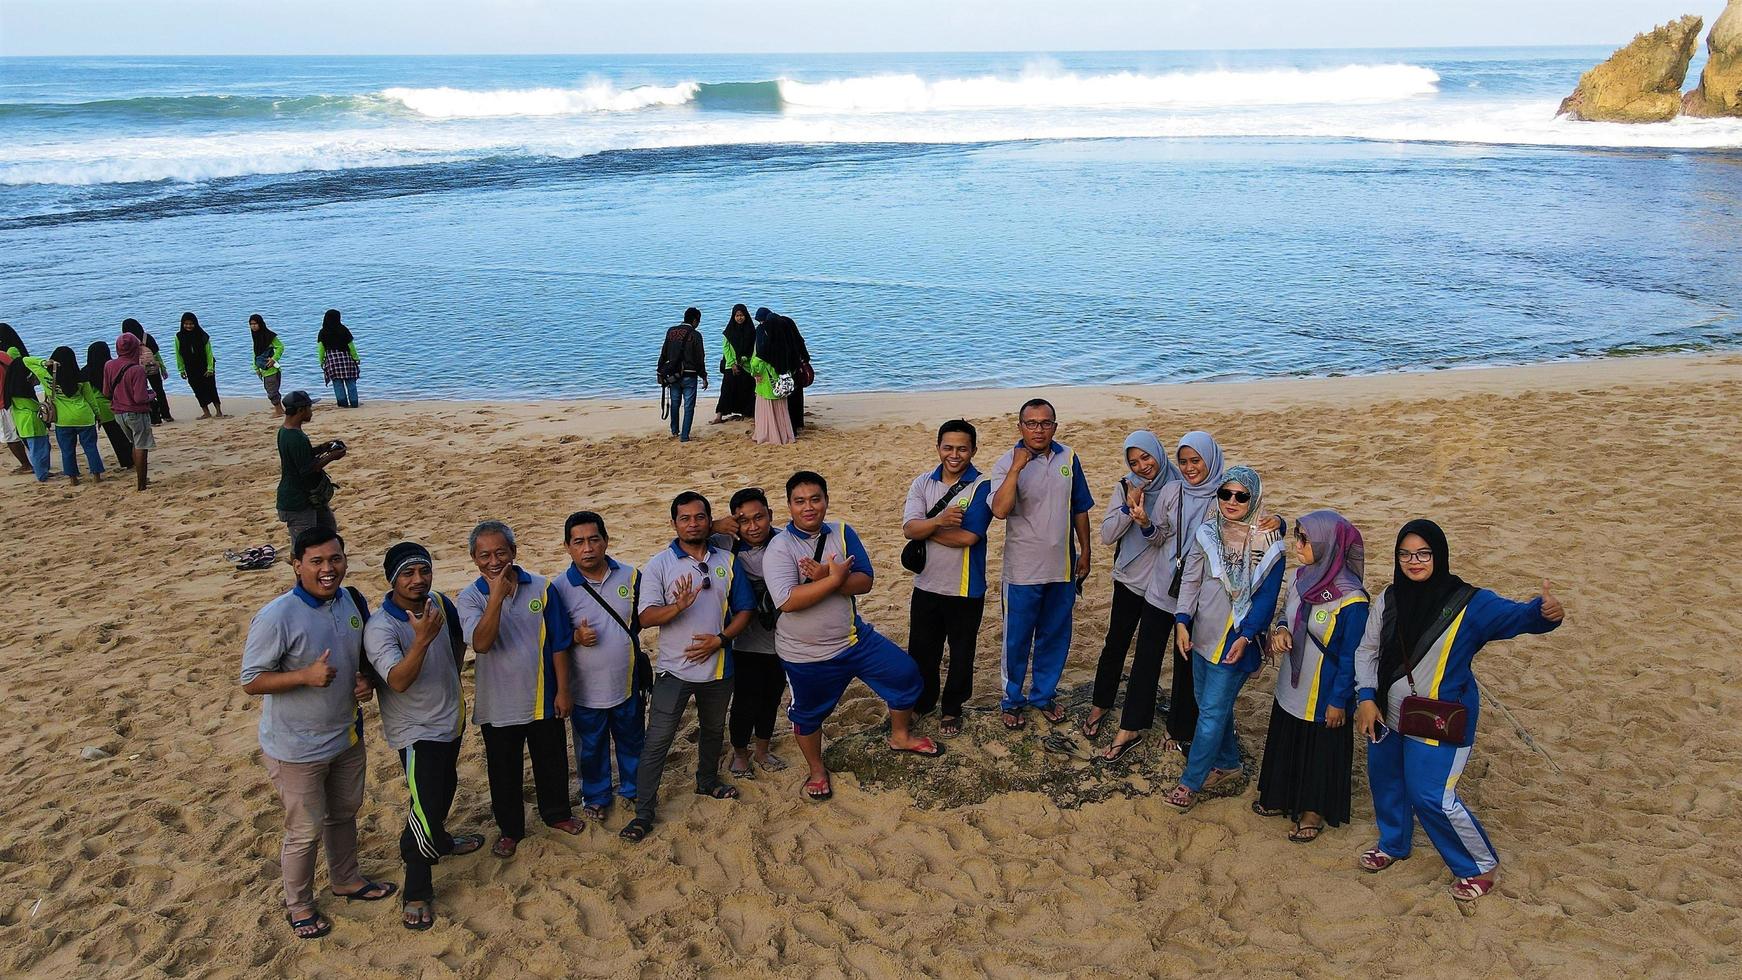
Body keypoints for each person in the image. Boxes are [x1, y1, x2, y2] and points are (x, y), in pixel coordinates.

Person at [1353, 519, 1565, 903]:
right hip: (1386, 713)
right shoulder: (1389, 598)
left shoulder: (1469, 603)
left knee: (1432, 795)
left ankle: (1479, 865)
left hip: (1439, 718)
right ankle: (1394, 842)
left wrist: (1544, 612)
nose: (1413, 562)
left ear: (1439, 555)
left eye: (1423, 554)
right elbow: (1368, 650)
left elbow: (1516, 618)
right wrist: (1366, 697)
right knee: (1387, 782)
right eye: (1405, 554)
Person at [240, 527, 395, 940]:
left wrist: (366, 681)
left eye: (335, 559)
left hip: (345, 735)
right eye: (317, 562)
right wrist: (304, 676)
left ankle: (345, 879)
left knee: (344, 813)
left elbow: (360, 658)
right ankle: (300, 905)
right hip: (295, 747)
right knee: (304, 829)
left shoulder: (352, 600)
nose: (328, 569)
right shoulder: (277, 616)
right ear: (296, 565)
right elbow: (251, 681)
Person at [1100, 432, 1280, 760]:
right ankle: (1130, 725)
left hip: (1198, 595)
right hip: (1162, 587)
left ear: (1210, 460)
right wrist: (1144, 524)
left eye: (1195, 461)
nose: (1188, 468)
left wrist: (1277, 521)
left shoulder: (1225, 493)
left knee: (1186, 664)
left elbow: (1251, 522)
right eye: (1182, 462)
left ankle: (1179, 728)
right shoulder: (1172, 490)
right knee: (1146, 658)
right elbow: (1160, 538)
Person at [764, 471, 941, 802]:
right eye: (800, 501)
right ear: (789, 506)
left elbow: (865, 581)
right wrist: (832, 580)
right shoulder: (780, 547)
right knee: (807, 713)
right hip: (806, 653)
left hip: (854, 639)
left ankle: (900, 735)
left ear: (826, 500)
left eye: (815, 499)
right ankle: (817, 769)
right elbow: (788, 601)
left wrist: (829, 578)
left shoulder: (843, 532)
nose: (809, 507)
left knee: (905, 674)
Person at [361, 542, 485, 930]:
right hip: (415, 732)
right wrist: (421, 640)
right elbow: (397, 680)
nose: (418, 581)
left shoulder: (438, 605)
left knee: (445, 786)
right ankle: (417, 889)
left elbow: (459, 644)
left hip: (450, 719)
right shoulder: (381, 626)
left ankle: (443, 841)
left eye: (423, 571)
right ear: (392, 580)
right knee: (423, 807)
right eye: (407, 574)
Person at [619, 492, 753, 842]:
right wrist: (677, 607)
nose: (692, 524)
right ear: (674, 523)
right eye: (685, 518)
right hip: (673, 671)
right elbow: (646, 617)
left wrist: (720, 640)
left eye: (699, 517)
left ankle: (706, 781)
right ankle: (644, 813)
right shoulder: (659, 564)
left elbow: (745, 611)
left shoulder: (727, 559)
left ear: (710, 520)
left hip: (719, 666)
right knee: (657, 741)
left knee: (712, 731)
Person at [1164, 466, 1287, 811]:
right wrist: (1182, 621)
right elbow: (1190, 580)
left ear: (1254, 498)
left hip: (1235, 642)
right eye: (1225, 494)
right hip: (1202, 634)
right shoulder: (1208, 533)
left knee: (1212, 714)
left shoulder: (1269, 543)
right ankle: (1230, 763)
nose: (1232, 502)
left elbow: (1267, 597)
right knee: (1209, 706)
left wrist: (1248, 637)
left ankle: (1191, 782)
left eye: (1241, 496)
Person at [456, 521, 582, 857]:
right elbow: (481, 643)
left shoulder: (542, 588)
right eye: (485, 555)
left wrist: (563, 690)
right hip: (497, 703)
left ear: (514, 551)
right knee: (504, 770)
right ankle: (510, 830)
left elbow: (559, 643)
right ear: (473, 558)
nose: (493, 561)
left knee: (552, 760)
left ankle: (556, 814)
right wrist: (495, 597)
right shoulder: (468, 598)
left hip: (542, 694)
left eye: (500, 552)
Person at [1255, 511, 1370, 843]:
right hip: (1292, 683)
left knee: (1320, 748)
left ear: (1327, 546)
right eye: (1296, 535)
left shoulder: (1353, 599)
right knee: (1289, 734)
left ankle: (1313, 811)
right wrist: (1278, 631)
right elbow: (1284, 614)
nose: (1297, 544)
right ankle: (1280, 795)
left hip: (1324, 691)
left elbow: (1352, 657)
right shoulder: (1300, 577)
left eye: (1304, 539)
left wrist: (1339, 701)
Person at [987, 398, 1094, 729]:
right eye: (1031, 423)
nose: (1038, 429)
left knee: (1054, 635)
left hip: (1062, 567)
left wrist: (1085, 551)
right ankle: (1012, 700)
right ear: (1019, 426)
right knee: (1016, 639)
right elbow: (1000, 510)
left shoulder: (1069, 457)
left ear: (1055, 426)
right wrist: (1018, 467)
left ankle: (1043, 695)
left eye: (1045, 423)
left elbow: (1080, 507)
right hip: (1022, 571)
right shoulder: (1006, 463)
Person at [549, 511, 647, 822]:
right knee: (590, 747)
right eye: (578, 542)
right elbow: (554, 638)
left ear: (606, 541)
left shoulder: (630, 576)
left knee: (632, 738)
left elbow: (639, 620)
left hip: (626, 681)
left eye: (594, 540)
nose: (587, 548)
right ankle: (596, 795)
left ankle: (633, 788)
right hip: (585, 689)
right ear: (567, 547)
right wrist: (576, 636)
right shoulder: (558, 588)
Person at [901, 420, 995, 737]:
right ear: (938, 447)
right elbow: (908, 530)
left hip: (965, 588)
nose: (954, 455)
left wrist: (927, 529)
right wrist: (940, 522)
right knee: (922, 651)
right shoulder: (922, 483)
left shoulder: (982, 486)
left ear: (973, 450)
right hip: (926, 584)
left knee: (961, 653)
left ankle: (952, 708)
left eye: (962, 448)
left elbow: (969, 537)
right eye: (948, 447)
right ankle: (924, 702)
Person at [1085, 430, 1177, 742]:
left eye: (1146, 457)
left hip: (1165, 587)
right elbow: (1107, 535)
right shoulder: (1127, 485)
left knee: (1149, 655)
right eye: (1134, 461)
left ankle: (1134, 721)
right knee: (1115, 644)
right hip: (1130, 580)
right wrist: (1129, 508)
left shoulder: (1181, 485)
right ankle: (1100, 704)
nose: (1142, 466)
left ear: (1159, 454)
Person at [725, 487, 789, 775]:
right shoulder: (724, 545)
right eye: (743, 520)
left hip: (783, 641)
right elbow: (686, 538)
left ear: (770, 516)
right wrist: (716, 525)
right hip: (744, 641)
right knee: (745, 701)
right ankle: (740, 753)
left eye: (759, 518)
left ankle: (762, 751)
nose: (752, 526)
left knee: (772, 697)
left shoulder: (786, 542)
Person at [277, 391, 346, 543]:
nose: (311, 411)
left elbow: (301, 456)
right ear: (301, 410)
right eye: (309, 407)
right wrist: (332, 456)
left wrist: (322, 448)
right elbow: (306, 469)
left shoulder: (286, 431)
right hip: (297, 500)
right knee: (302, 545)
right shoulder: (295, 437)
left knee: (328, 530)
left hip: (307, 497)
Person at [35, 347, 105, 485]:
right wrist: (98, 415)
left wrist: (44, 363)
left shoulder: (47, 377)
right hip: (84, 417)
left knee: (67, 450)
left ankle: (73, 479)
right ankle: (96, 476)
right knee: (90, 447)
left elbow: (26, 361)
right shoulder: (80, 377)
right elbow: (91, 399)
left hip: (63, 419)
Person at [103, 332, 156, 490]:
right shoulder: (137, 370)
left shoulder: (109, 365)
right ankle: (141, 484)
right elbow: (140, 398)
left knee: (134, 443)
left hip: (119, 413)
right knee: (141, 446)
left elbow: (106, 392)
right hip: (136, 412)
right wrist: (152, 394)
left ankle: (142, 480)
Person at [753, 307, 810, 433]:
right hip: (795, 364)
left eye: (762, 322)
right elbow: (799, 342)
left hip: (788, 366)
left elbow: (764, 352)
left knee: (788, 396)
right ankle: (797, 423)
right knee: (795, 394)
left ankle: (790, 425)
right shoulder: (786, 322)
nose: (762, 324)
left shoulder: (773, 327)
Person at [657, 307, 708, 443]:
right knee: (688, 406)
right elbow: (700, 357)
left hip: (674, 375)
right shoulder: (696, 335)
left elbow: (664, 352)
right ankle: (684, 436)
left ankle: (674, 430)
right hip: (690, 376)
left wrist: (659, 370)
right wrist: (704, 376)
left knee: (675, 403)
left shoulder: (671, 331)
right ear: (695, 320)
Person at [81, 342, 134, 470]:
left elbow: (85, 392)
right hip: (117, 403)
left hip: (100, 408)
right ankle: (134, 457)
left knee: (114, 437)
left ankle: (126, 461)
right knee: (127, 433)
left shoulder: (85, 371)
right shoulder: (112, 366)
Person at [2, 353, 51, 481]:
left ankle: (35, 469)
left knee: (29, 445)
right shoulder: (25, 394)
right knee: (37, 448)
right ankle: (40, 472)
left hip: (16, 416)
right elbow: (36, 408)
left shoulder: (13, 393)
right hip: (29, 419)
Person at [743, 332, 796, 445]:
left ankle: (768, 436)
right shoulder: (783, 347)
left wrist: (754, 372)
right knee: (781, 413)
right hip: (780, 387)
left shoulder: (764, 348)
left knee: (767, 413)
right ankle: (784, 436)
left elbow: (754, 364)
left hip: (766, 387)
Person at [709, 304, 757, 424]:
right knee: (726, 390)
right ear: (733, 316)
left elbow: (754, 349)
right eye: (737, 316)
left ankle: (745, 413)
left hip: (746, 366)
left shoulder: (752, 331)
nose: (739, 318)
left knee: (746, 389)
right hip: (731, 366)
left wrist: (744, 360)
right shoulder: (729, 331)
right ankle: (719, 416)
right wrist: (733, 363)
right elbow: (726, 349)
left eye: (741, 315)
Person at [121, 319, 172, 424]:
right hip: (152, 367)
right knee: (159, 391)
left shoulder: (126, 340)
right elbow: (156, 354)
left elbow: (124, 357)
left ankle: (153, 417)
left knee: (143, 392)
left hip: (136, 370)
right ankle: (166, 414)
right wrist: (163, 368)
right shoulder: (147, 337)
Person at [174, 311, 223, 418]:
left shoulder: (202, 335)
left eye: (191, 323)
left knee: (211, 388)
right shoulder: (179, 337)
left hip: (205, 366)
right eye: (186, 324)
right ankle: (206, 412)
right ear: (182, 324)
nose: (188, 326)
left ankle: (219, 411)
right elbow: (178, 354)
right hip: (190, 367)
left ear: (195, 323)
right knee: (197, 390)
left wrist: (210, 368)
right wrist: (181, 369)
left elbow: (209, 353)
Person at [0, 323, 31, 473]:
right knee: (25, 432)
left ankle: (26, 465)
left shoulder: (5, 354)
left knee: (11, 437)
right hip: (18, 398)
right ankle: (37, 461)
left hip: (3, 404)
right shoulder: (9, 354)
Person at [318, 309, 362, 408]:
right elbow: (351, 346)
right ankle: (354, 403)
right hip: (346, 359)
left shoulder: (323, 332)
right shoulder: (343, 329)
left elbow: (321, 349)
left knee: (337, 383)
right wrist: (356, 358)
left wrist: (321, 360)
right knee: (351, 382)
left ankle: (342, 404)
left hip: (332, 361)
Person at [251, 314, 286, 416]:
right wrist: (256, 368)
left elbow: (280, 347)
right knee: (271, 390)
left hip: (272, 369)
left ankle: (278, 411)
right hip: (263, 370)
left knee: (272, 391)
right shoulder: (256, 338)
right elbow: (256, 354)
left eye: (255, 324)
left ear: (260, 324)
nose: (253, 326)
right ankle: (280, 410)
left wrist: (274, 359)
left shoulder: (269, 336)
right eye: (251, 324)